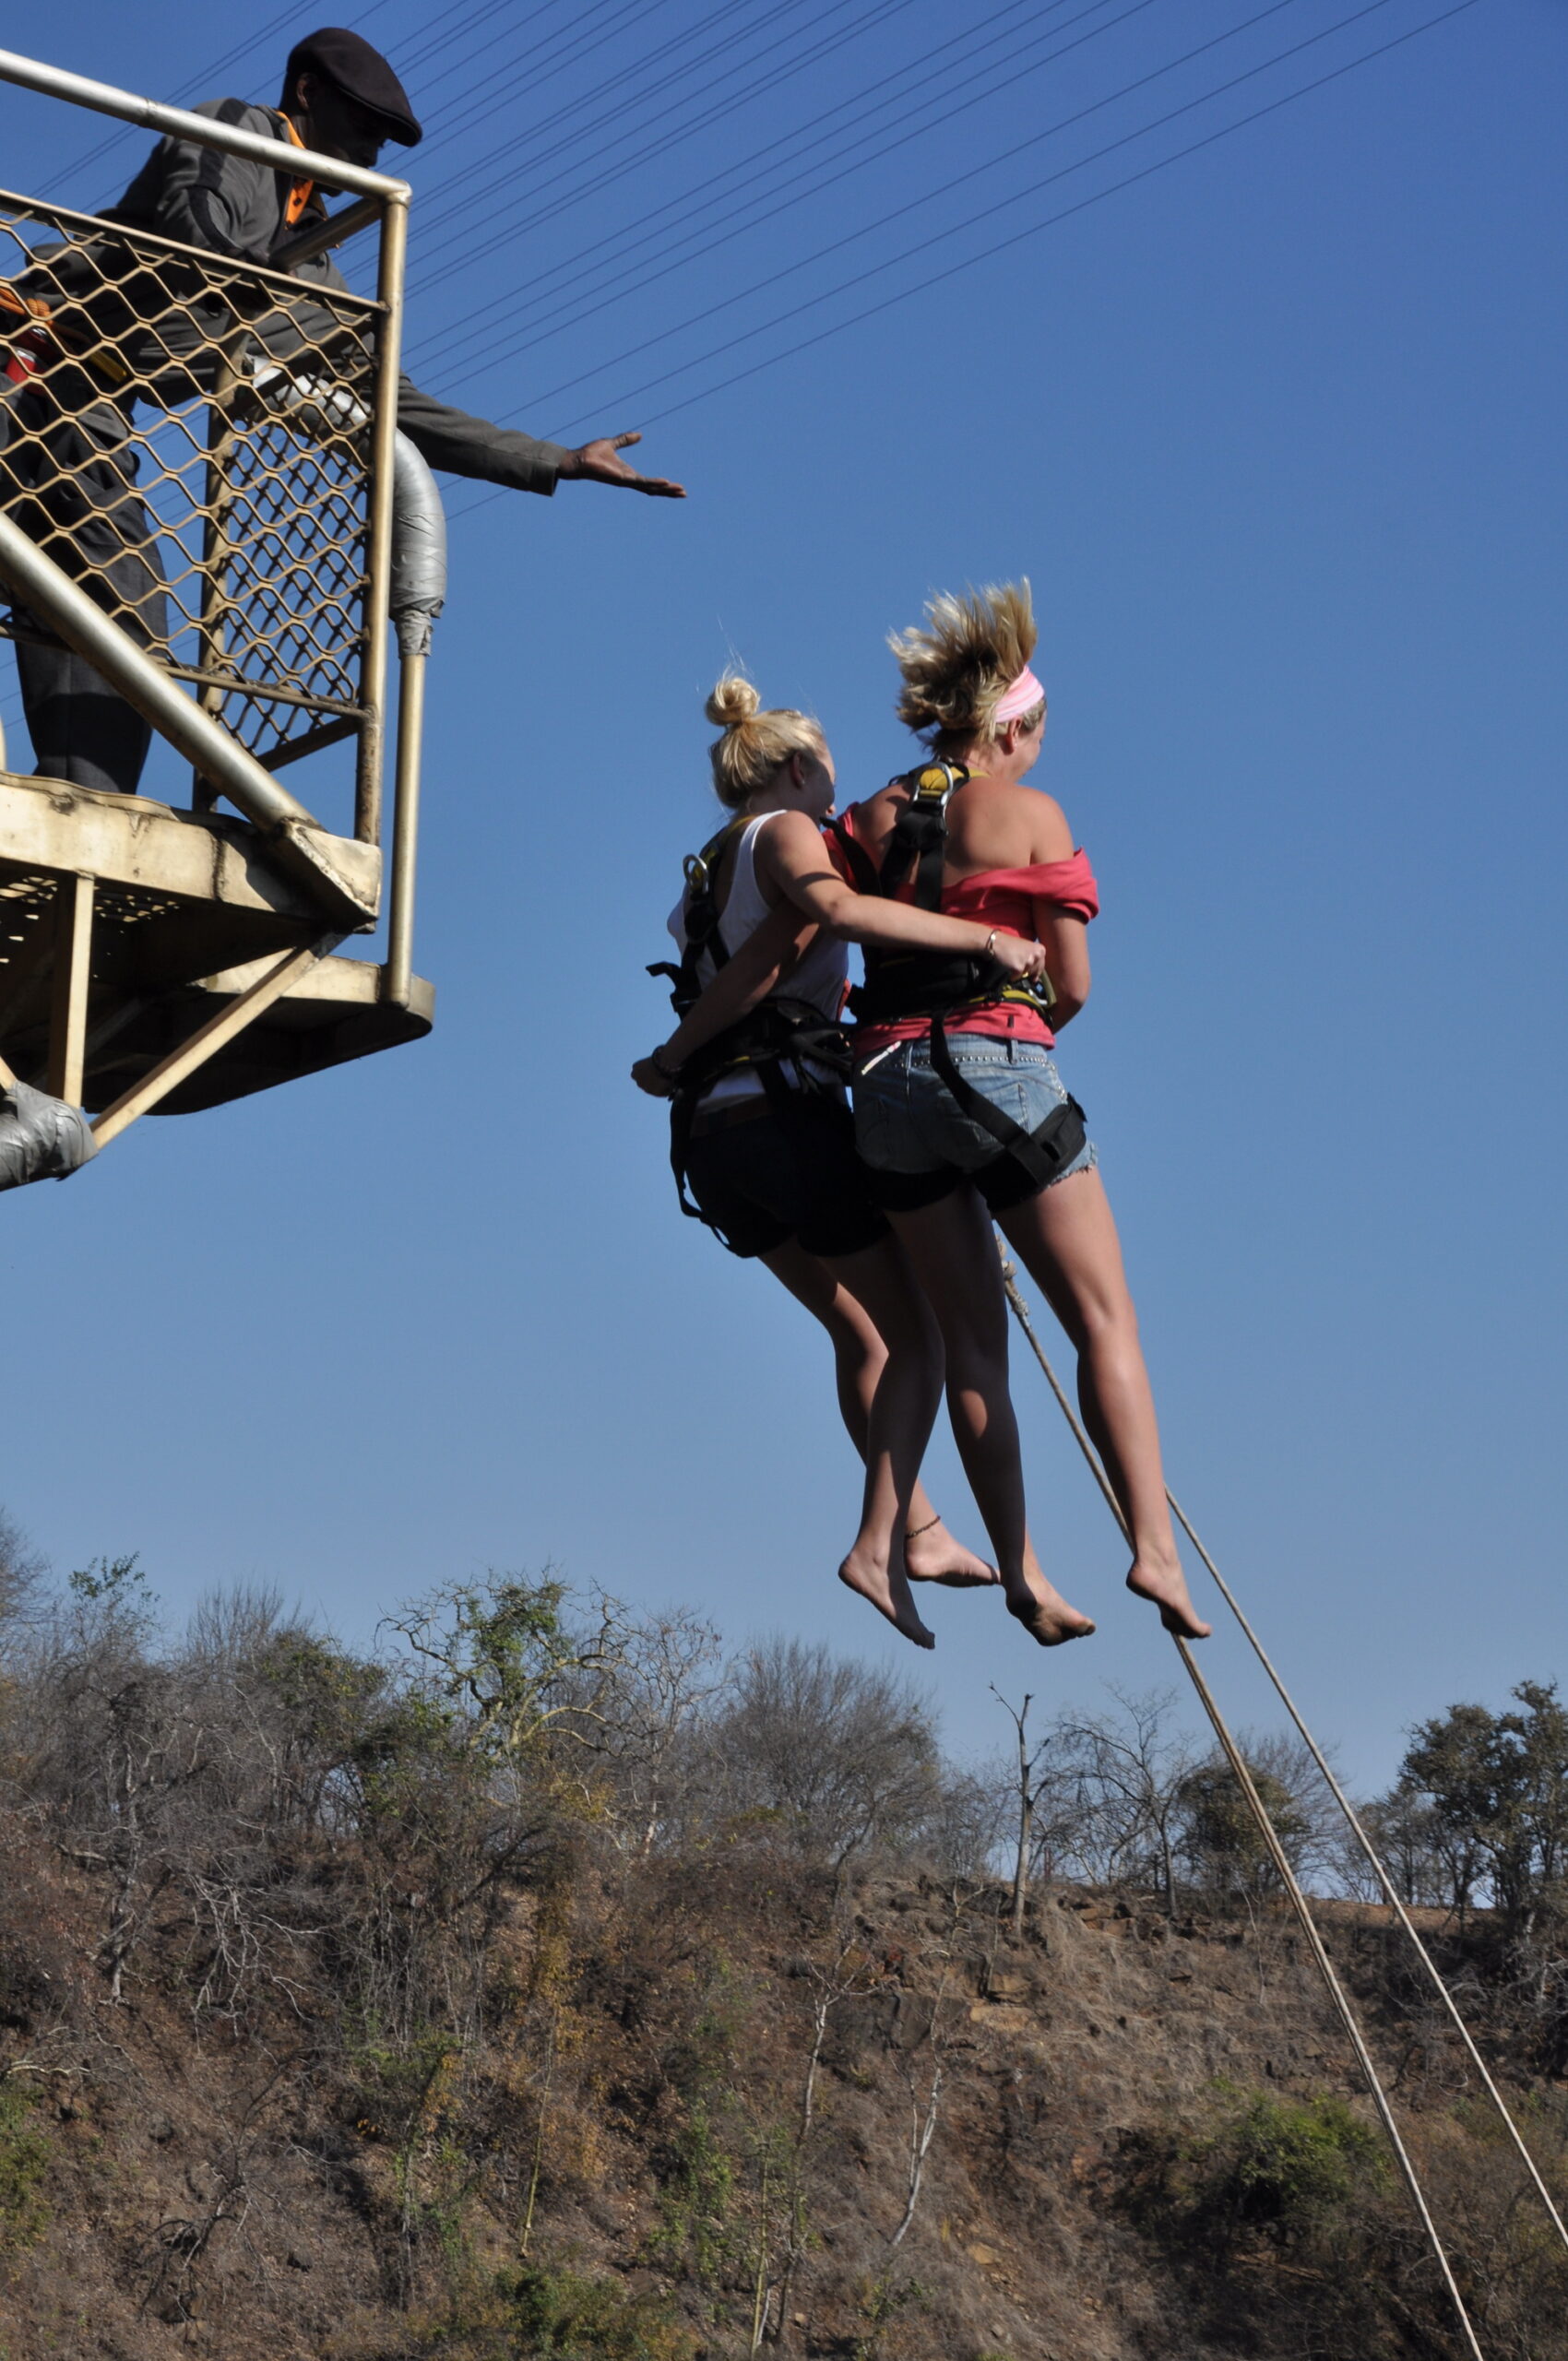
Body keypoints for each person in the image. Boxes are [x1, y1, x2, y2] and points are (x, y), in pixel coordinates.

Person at [0, 26, 683, 795]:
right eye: (364, 127)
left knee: (120, 617)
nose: (369, 156)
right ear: (307, 94)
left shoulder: (313, 271)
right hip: (27, 360)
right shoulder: (236, 130)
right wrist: (248, 277)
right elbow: (196, 215)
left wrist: (554, 458)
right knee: (110, 596)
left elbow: (392, 395)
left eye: (383, 143)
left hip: (85, 410)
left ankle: (75, 822)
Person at [633, 675, 1054, 1649]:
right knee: (923, 1339)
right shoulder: (785, 832)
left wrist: (668, 1060)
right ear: (793, 767)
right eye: (824, 770)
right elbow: (837, 916)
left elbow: (751, 965)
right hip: (785, 1120)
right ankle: (880, 1543)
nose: (837, 787)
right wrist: (982, 938)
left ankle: (919, 1529)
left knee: (858, 1336)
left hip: (716, 1139)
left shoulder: (704, 865)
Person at [826, 581, 1210, 1646]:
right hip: (995, 1066)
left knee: (965, 1347)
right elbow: (1071, 986)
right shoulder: (1029, 815)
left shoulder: (867, 816)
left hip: (887, 1086)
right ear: (1015, 726)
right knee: (1102, 1318)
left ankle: (1023, 1570)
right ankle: (1152, 1548)